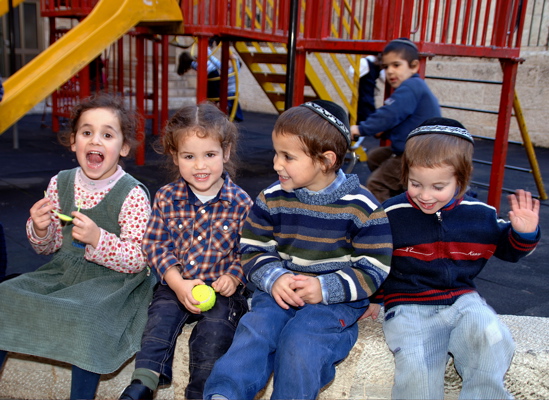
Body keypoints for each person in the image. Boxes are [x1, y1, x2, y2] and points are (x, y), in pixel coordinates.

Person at [203, 100, 393, 400]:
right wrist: (274, 277)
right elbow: (253, 247)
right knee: (256, 330)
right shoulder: (273, 198)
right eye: (277, 153)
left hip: (333, 302)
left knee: (301, 342)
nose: (276, 164)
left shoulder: (362, 207)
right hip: (281, 289)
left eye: (287, 156)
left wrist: (325, 287)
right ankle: (224, 394)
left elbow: (374, 266)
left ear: (326, 161)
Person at [368, 117, 540, 399]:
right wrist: (374, 297)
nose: (424, 195)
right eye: (415, 184)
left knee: (493, 338)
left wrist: (524, 232)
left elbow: (509, 251)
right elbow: (376, 259)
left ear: (460, 180)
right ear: (405, 174)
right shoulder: (391, 214)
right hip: (410, 305)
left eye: (438, 187)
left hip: (462, 299)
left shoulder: (480, 214)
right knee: (417, 369)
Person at [0, 94, 155, 399]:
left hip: (113, 282)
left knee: (89, 317)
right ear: (73, 142)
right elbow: (49, 248)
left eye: (107, 135)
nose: (95, 141)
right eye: (87, 133)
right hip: (64, 272)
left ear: (123, 147)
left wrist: (99, 238)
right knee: (5, 296)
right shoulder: (62, 182)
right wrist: (41, 228)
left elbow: (139, 259)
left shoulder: (133, 194)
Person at [119, 102, 253, 400]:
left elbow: (249, 251)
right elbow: (155, 243)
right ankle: (144, 381)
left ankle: (200, 392)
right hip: (177, 281)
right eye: (189, 156)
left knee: (214, 334)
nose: (200, 166)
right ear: (175, 156)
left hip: (220, 291)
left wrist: (233, 277)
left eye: (209, 155)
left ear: (226, 153)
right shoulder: (168, 197)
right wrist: (178, 284)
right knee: (160, 318)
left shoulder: (241, 202)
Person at [350, 38, 441, 203]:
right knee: (375, 157)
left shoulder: (411, 87)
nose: (390, 71)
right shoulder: (413, 87)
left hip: (417, 155)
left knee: (377, 184)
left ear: (414, 66)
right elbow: (401, 120)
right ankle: (401, 197)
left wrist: (360, 129)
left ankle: (386, 222)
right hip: (412, 151)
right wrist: (383, 130)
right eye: (386, 67)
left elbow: (390, 114)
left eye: (396, 65)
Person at [177, 37, 244, 122]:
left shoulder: (232, 70)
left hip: (226, 89)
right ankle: (228, 115)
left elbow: (217, 62)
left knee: (222, 101)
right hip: (221, 85)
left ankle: (229, 116)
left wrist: (235, 59)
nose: (227, 63)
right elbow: (216, 63)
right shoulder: (226, 69)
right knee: (221, 101)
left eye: (229, 61)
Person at [347, 54, 384, 124]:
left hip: (361, 100)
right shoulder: (375, 64)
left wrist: (353, 65)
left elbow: (352, 72)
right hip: (368, 99)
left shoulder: (364, 62)